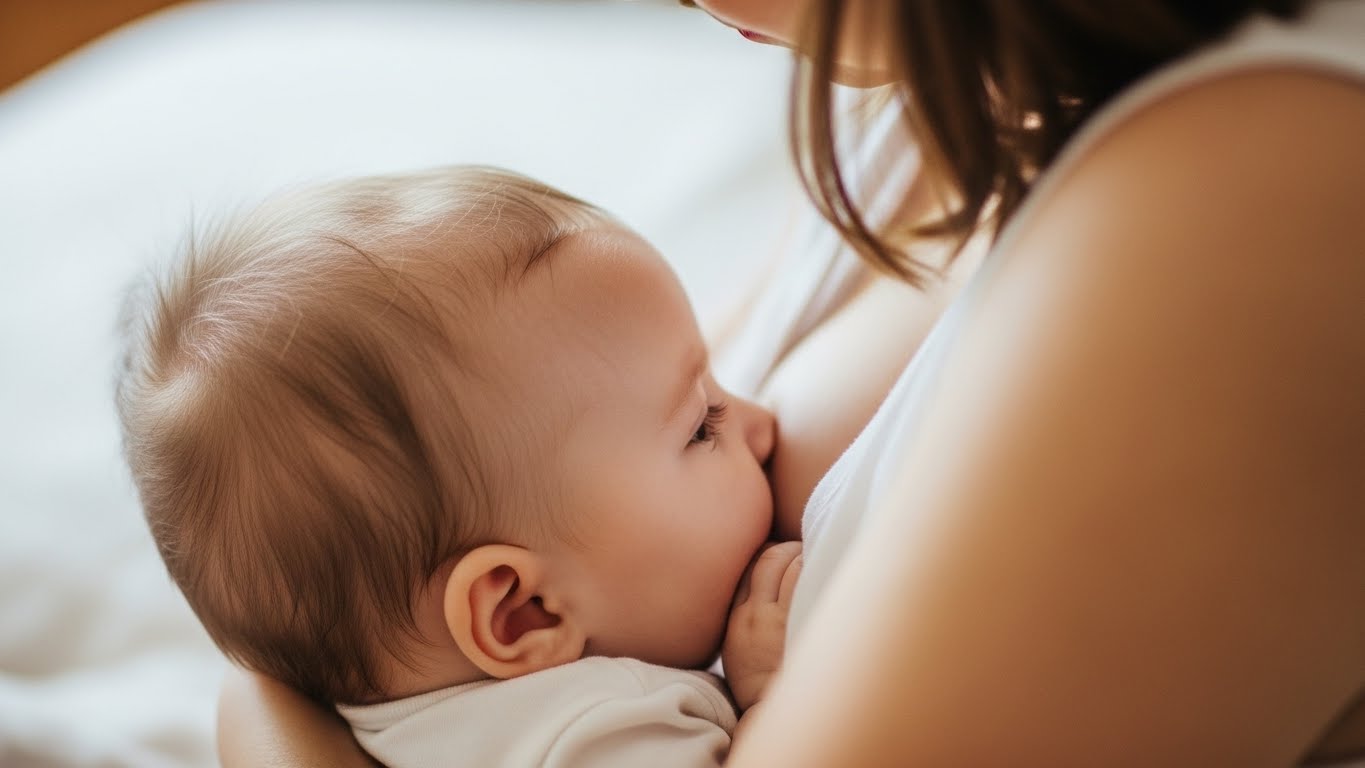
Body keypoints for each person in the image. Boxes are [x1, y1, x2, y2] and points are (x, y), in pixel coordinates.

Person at [221, 0, 1365, 765]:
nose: (749, 419)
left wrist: (274, 705)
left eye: (712, 415)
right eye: (707, 423)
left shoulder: (1266, 199)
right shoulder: (942, 78)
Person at [117, 166, 802, 767]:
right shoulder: (599, 732)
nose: (762, 427)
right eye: (702, 427)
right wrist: (775, 703)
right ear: (520, 614)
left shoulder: (391, 721)